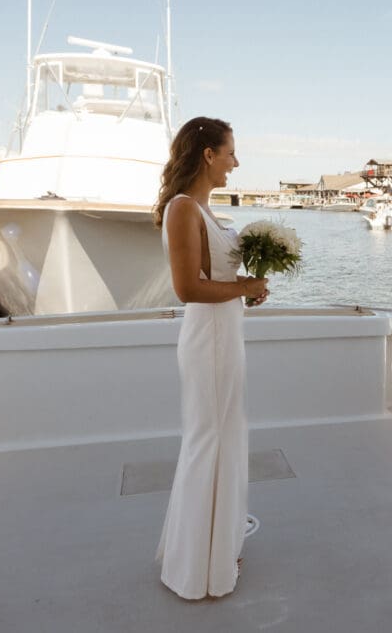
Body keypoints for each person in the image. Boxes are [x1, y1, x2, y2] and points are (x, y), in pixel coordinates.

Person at [152, 116, 268, 599]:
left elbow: (212, 282)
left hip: (226, 336)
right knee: (211, 440)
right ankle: (199, 568)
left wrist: (246, 289)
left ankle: (213, 550)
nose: (235, 162)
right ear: (207, 155)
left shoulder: (204, 210)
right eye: (230, 153)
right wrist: (244, 286)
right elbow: (187, 289)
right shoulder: (183, 209)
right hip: (210, 342)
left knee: (224, 437)